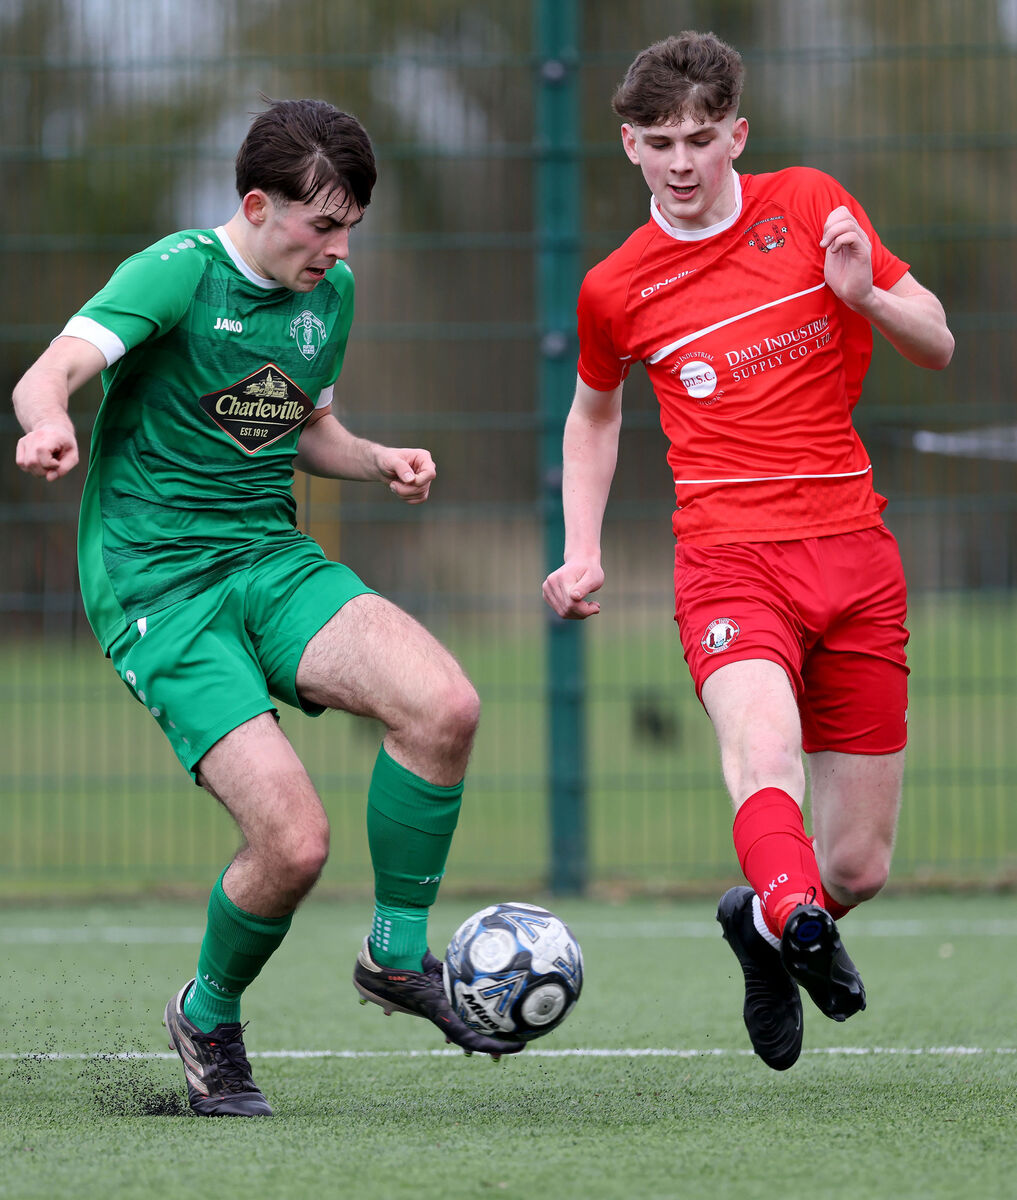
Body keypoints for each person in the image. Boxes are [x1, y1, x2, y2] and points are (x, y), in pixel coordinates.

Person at [13, 97, 523, 1117]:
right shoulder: (178, 272)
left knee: (444, 707)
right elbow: (49, 372)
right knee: (293, 844)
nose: (338, 252)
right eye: (322, 227)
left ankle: (395, 958)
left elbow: (299, 424)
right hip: (161, 587)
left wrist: (375, 459)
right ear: (258, 206)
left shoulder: (327, 294)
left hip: (269, 557)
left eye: (351, 230)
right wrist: (47, 423)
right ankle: (208, 1016)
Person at [542, 32, 954, 1070]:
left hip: (856, 555)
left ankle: (768, 927)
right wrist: (581, 548)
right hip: (729, 563)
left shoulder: (812, 204)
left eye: (700, 139)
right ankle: (795, 918)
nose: (680, 163)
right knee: (763, 756)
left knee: (855, 867)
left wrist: (866, 297)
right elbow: (593, 417)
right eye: (659, 143)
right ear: (629, 145)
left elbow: (937, 339)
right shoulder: (614, 288)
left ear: (737, 133)